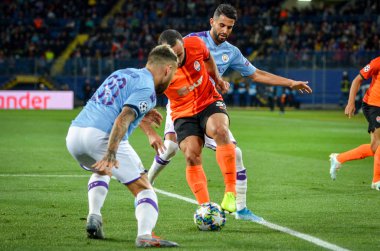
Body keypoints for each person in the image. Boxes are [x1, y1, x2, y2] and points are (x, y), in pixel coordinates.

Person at [147, 4, 312, 222]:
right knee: (170, 148)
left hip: (207, 101)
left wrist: (290, 83)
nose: (225, 30)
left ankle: (239, 207)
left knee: (234, 152)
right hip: (179, 105)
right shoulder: (188, 41)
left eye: (230, 27)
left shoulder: (230, 52)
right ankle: (146, 184)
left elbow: (256, 74)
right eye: (222, 25)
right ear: (212, 22)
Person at [65, 44, 180, 248]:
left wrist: (143, 112)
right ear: (167, 69)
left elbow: (111, 103)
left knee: (103, 170)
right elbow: (123, 117)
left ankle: (94, 216)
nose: (170, 80)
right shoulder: (148, 89)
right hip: (101, 136)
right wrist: (111, 151)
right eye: (172, 75)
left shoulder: (123, 73)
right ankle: (145, 235)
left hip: (75, 134)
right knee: (145, 189)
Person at [146, 29, 238, 214]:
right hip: (182, 112)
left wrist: (217, 79)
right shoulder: (157, 69)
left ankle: (230, 193)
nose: (178, 60)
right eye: (174, 56)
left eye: (180, 54)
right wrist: (149, 127)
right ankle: (205, 207)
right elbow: (140, 96)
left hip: (208, 100)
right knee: (190, 154)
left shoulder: (195, 44)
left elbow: (208, 57)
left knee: (220, 131)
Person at [330, 56, 380, 191]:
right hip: (373, 106)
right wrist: (351, 102)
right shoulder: (377, 62)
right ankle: (376, 181)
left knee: (375, 148)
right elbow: (357, 80)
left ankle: (339, 158)